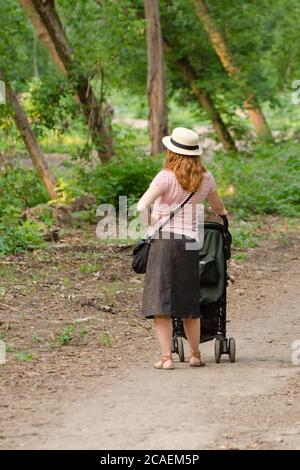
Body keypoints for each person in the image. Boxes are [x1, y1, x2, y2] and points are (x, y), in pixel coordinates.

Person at [137, 127, 227, 370]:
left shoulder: (165, 177)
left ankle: (167, 358)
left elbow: (141, 205)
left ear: (171, 151)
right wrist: (223, 214)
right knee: (189, 302)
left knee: (161, 302)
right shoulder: (206, 178)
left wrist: (152, 224)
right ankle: (195, 354)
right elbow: (219, 208)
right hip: (190, 244)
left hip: (164, 242)